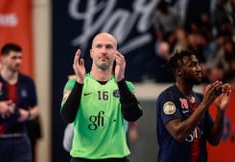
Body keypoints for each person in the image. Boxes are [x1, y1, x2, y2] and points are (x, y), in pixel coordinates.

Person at [60, 32, 143, 162]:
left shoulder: (125, 85)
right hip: (83, 158)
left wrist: (120, 80)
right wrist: (80, 82)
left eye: (109, 47)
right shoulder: (74, 83)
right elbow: (67, 117)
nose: (104, 51)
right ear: (92, 52)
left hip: (117, 158)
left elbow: (133, 116)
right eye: (99, 46)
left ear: (116, 53)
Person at [156, 50, 232, 162]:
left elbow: (214, 139)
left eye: (198, 64)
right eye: (192, 65)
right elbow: (179, 134)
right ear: (179, 71)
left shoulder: (200, 98)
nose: (199, 68)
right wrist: (205, 104)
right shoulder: (168, 97)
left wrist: (220, 111)